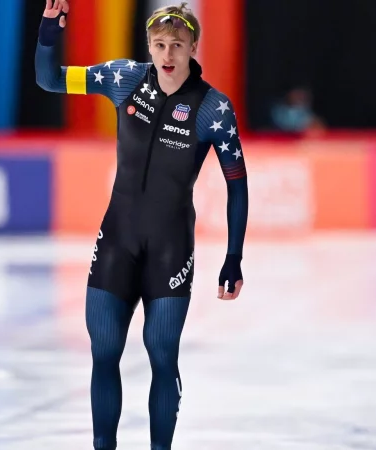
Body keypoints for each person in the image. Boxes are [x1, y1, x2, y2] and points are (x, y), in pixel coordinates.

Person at [36, 1, 249, 449]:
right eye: (159, 44)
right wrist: (49, 34)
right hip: (118, 240)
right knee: (104, 351)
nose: (168, 54)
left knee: (162, 355)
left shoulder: (213, 109)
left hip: (171, 248)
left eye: (177, 45)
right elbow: (49, 80)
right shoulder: (124, 79)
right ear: (149, 46)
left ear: (193, 47)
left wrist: (233, 257)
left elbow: (237, 187)